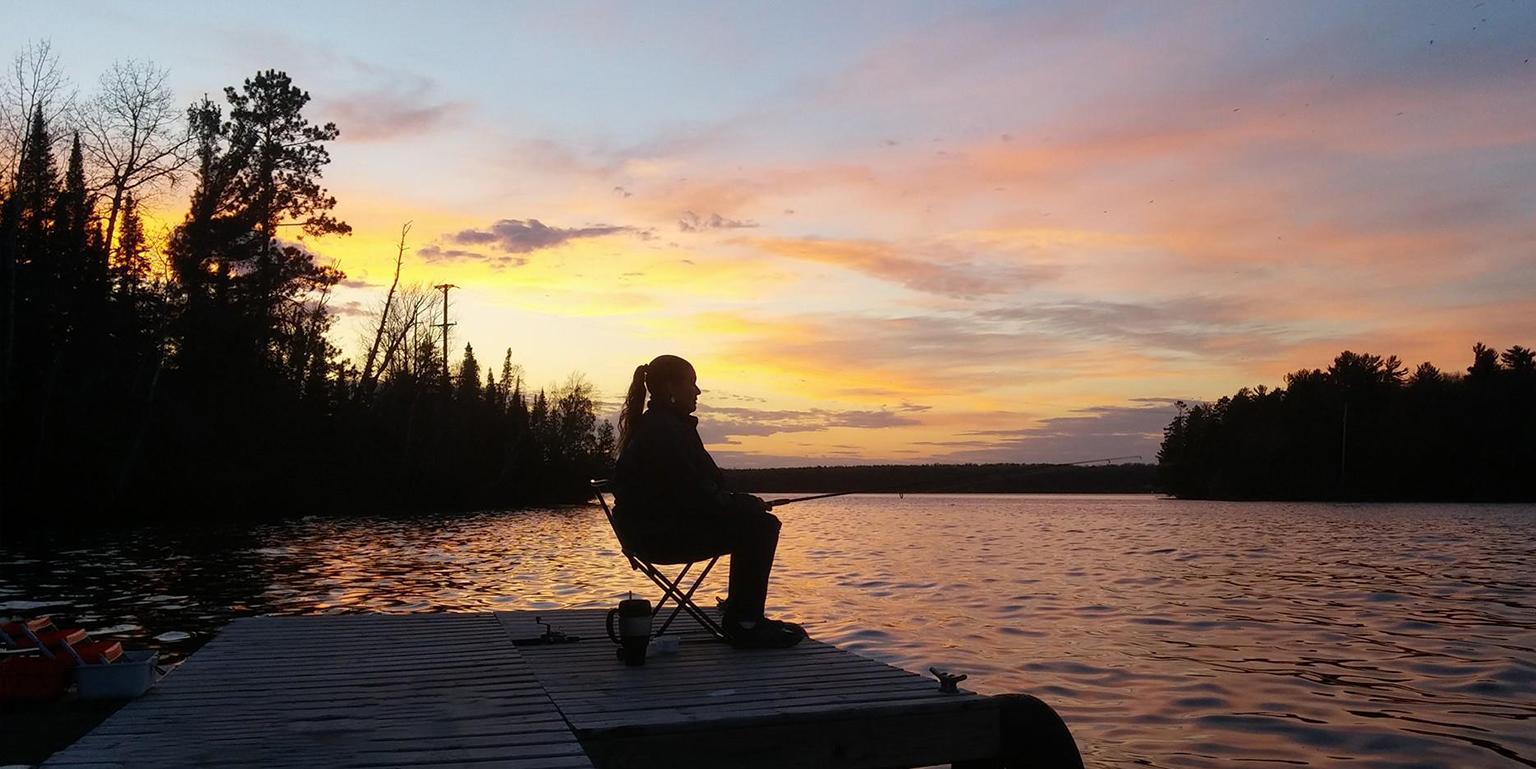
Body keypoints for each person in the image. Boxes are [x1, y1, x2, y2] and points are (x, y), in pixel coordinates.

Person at [613, 354, 806, 649]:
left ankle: (741, 612)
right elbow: (696, 497)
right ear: (669, 388)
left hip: (651, 530)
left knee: (754, 521)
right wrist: (744, 504)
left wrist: (739, 502)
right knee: (761, 527)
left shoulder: (662, 425)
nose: (698, 392)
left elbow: (695, 491)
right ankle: (745, 621)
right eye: (692, 383)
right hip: (660, 536)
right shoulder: (665, 431)